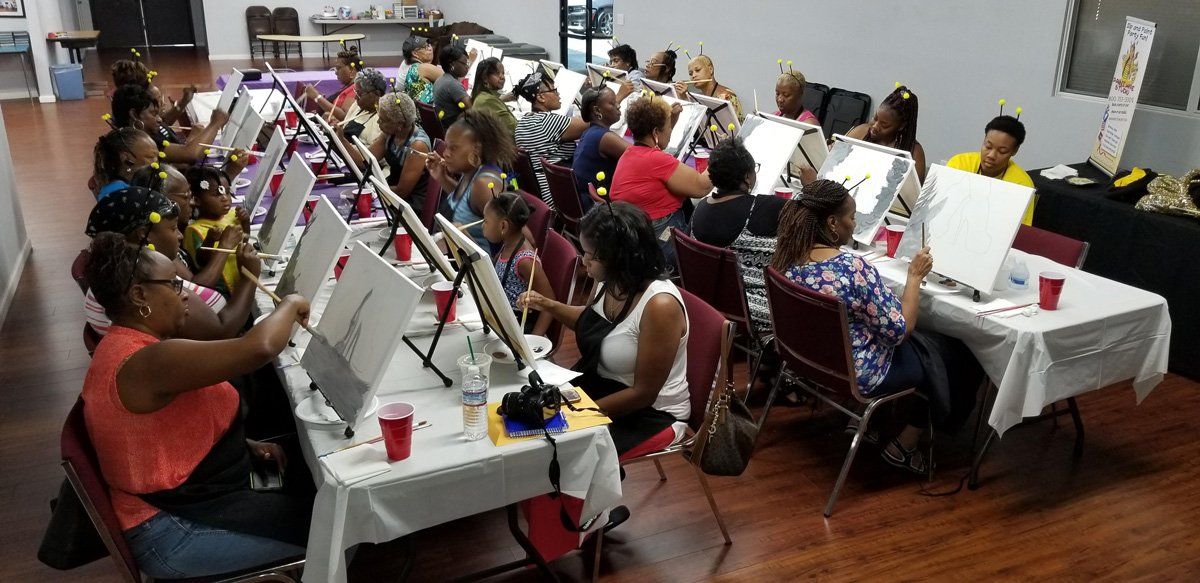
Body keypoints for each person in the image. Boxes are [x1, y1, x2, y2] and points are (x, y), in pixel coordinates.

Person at [81, 232, 312, 579]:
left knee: (309, 482)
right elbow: (258, 348)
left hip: (181, 506)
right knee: (332, 526)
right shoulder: (149, 360)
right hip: (173, 532)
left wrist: (243, 444)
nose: (185, 293)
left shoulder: (122, 345)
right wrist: (291, 303)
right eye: (173, 285)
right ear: (139, 295)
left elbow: (155, 431)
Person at [771, 179, 981, 473]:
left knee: (917, 343)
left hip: (814, 362)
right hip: (860, 374)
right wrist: (914, 277)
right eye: (852, 218)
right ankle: (904, 445)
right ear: (832, 222)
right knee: (955, 354)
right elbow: (901, 330)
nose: (854, 226)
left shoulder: (787, 256)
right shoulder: (852, 270)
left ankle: (865, 418)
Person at [518, 201, 691, 458]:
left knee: (556, 453)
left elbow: (643, 394)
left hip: (650, 413)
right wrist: (547, 304)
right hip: (605, 386)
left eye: (590, 254)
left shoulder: (659, 305)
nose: (584, 261)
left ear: (619, 257)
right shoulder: (608, 279)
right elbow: (589, 320)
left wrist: (573, 415)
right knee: (525, 422)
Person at [82, 186, 256, 341]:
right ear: (143, 235)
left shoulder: (120, 271)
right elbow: (222, 332)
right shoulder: (144, 286)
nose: (180, 236)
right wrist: (250, 277)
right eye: (173, 228)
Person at [689, 138, 784, 333]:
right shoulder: (766, 207)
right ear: (747, 177)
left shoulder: (700, 208)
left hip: (707, 307)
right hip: (756, 315)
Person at [610, 95, 712, 267]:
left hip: (632, 240)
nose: (671, 131)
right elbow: (702, 187)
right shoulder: (657, 161)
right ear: (656, 132)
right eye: (668, 127)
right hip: (660, 241)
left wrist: (671, 119)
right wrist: (719, 157)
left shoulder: (629, 153)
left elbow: (660, 140)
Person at [130, 164, 236, 291]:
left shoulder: (177, 229)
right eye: (186, 196)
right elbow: (197, 288)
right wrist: (224, 246)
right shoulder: (160, 245)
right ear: (162, 199)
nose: (192, 202)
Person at [427, 109, 516, 248]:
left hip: (468, 267)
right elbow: (467, 205)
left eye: (453, 148)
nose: (445, 153)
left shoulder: (485, 184)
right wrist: (442, 177)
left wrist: (471, 249)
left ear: (477, 149)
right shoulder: (471, 171)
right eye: (446, 146)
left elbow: (519, 239)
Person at [482, 193, 555, 336]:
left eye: (485, 221)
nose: (482, 225)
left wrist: (534, 342)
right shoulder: (508, 244)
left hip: (518, 328)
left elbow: (550, 302)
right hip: (502, 319)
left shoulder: (525, 261)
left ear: (503, 226)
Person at [513, 71, 589, 208]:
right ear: (541, 97)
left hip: (541, 195)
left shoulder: (523, 123)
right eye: (554, 90)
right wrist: (617, 98)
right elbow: (592, 122)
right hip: (559, 197)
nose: (558, 94)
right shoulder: (546, 122)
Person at [111, 84, 235, 167]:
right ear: (133, 114)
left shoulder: (137, 133)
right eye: (153, 114)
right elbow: (190, 155)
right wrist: (215, 123)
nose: (160, 119)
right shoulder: (138, 144)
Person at [947, 115, 1035, 225]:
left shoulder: (1022, 184)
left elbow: (1019, 229)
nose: (991, 155)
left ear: (1015, 151)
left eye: (1002, 151)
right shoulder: (959, 163)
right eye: (988, 146)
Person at [359, 92, 432, 213]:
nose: (378, 123)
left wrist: (372, 190)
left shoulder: (418, 145)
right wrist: (340, 140)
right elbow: (365, 161)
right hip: (391, 193)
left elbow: (402, 191)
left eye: (382, 120)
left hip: (410, 206)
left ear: (400, 125)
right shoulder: (390, 133)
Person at [183, 166, 251, 295]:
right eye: (216, 194)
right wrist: (210, 239)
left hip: (241, 278)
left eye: (227, 192)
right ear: (197, 200)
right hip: (221, 291)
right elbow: (201, 262)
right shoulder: (194, 230)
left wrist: (245, 223)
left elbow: (245, 240)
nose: (225, 198)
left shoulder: (233, 215)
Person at [846, 85, 927, 182]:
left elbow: (913, 194)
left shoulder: (914, 152)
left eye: (884, 125)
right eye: (875, 118)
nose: (875, 126)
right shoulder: (861, 132)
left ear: (901, 126)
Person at [573, 86, 631, 209]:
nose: (618, 105)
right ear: (596, 110)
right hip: (595, 209)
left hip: (581, 203)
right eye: (612, 103)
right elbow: (643, 156)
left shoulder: (590, 132)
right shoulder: (605, 138)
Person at [110, 58, 195, 127]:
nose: (163, 103)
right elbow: (163, 122)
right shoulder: (143, 135)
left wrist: (183, 102)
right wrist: (180, 105)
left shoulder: (121, 99)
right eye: (158, 99)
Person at [92, 127, 159, 200]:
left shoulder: (133, 185)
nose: (157, 162)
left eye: (157, 157)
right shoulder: (117, 193)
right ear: (126, 158)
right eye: (151, 157)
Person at [674, 55, 742, 119]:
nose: (693, 76)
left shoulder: (726, 96)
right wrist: (683, 97)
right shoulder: (699, 98)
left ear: (710, 69)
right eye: (690, 73)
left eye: (697, 70)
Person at [303, 47, 362, 122]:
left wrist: (317, 97)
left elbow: (345, 116)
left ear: (352, 70)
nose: (336, 72)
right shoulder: (348, 86)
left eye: (338, 68)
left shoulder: (355, 88)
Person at [335, 68, 386, 146]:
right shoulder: (357, 105)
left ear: (376, 94)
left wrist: (342, 141)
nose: (355, 97)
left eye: (359, 93)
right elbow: (344, 127)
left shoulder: (382, 119)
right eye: (356, 92)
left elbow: (370, 154)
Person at [470, 57, 518, 134]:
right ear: (485, 78)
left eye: (503, 73)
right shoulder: (488, 100)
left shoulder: (483, 96)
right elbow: (514, 127)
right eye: (497, 73)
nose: (502, 77)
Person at [432, 45, 474, 128]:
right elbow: (473, 111)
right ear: (452, 64)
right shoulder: (453, 85)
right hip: (456, 131)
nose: (467, 67)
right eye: (464, 63)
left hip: (446, 128)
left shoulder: (441, 79)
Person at [398, 36, 441, 104]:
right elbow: (453, 81)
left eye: (429, 45)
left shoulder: (407, 66)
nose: (430, 48)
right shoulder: (423, 68)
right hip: (430, 112)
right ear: (415, 53)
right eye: (425, 47)